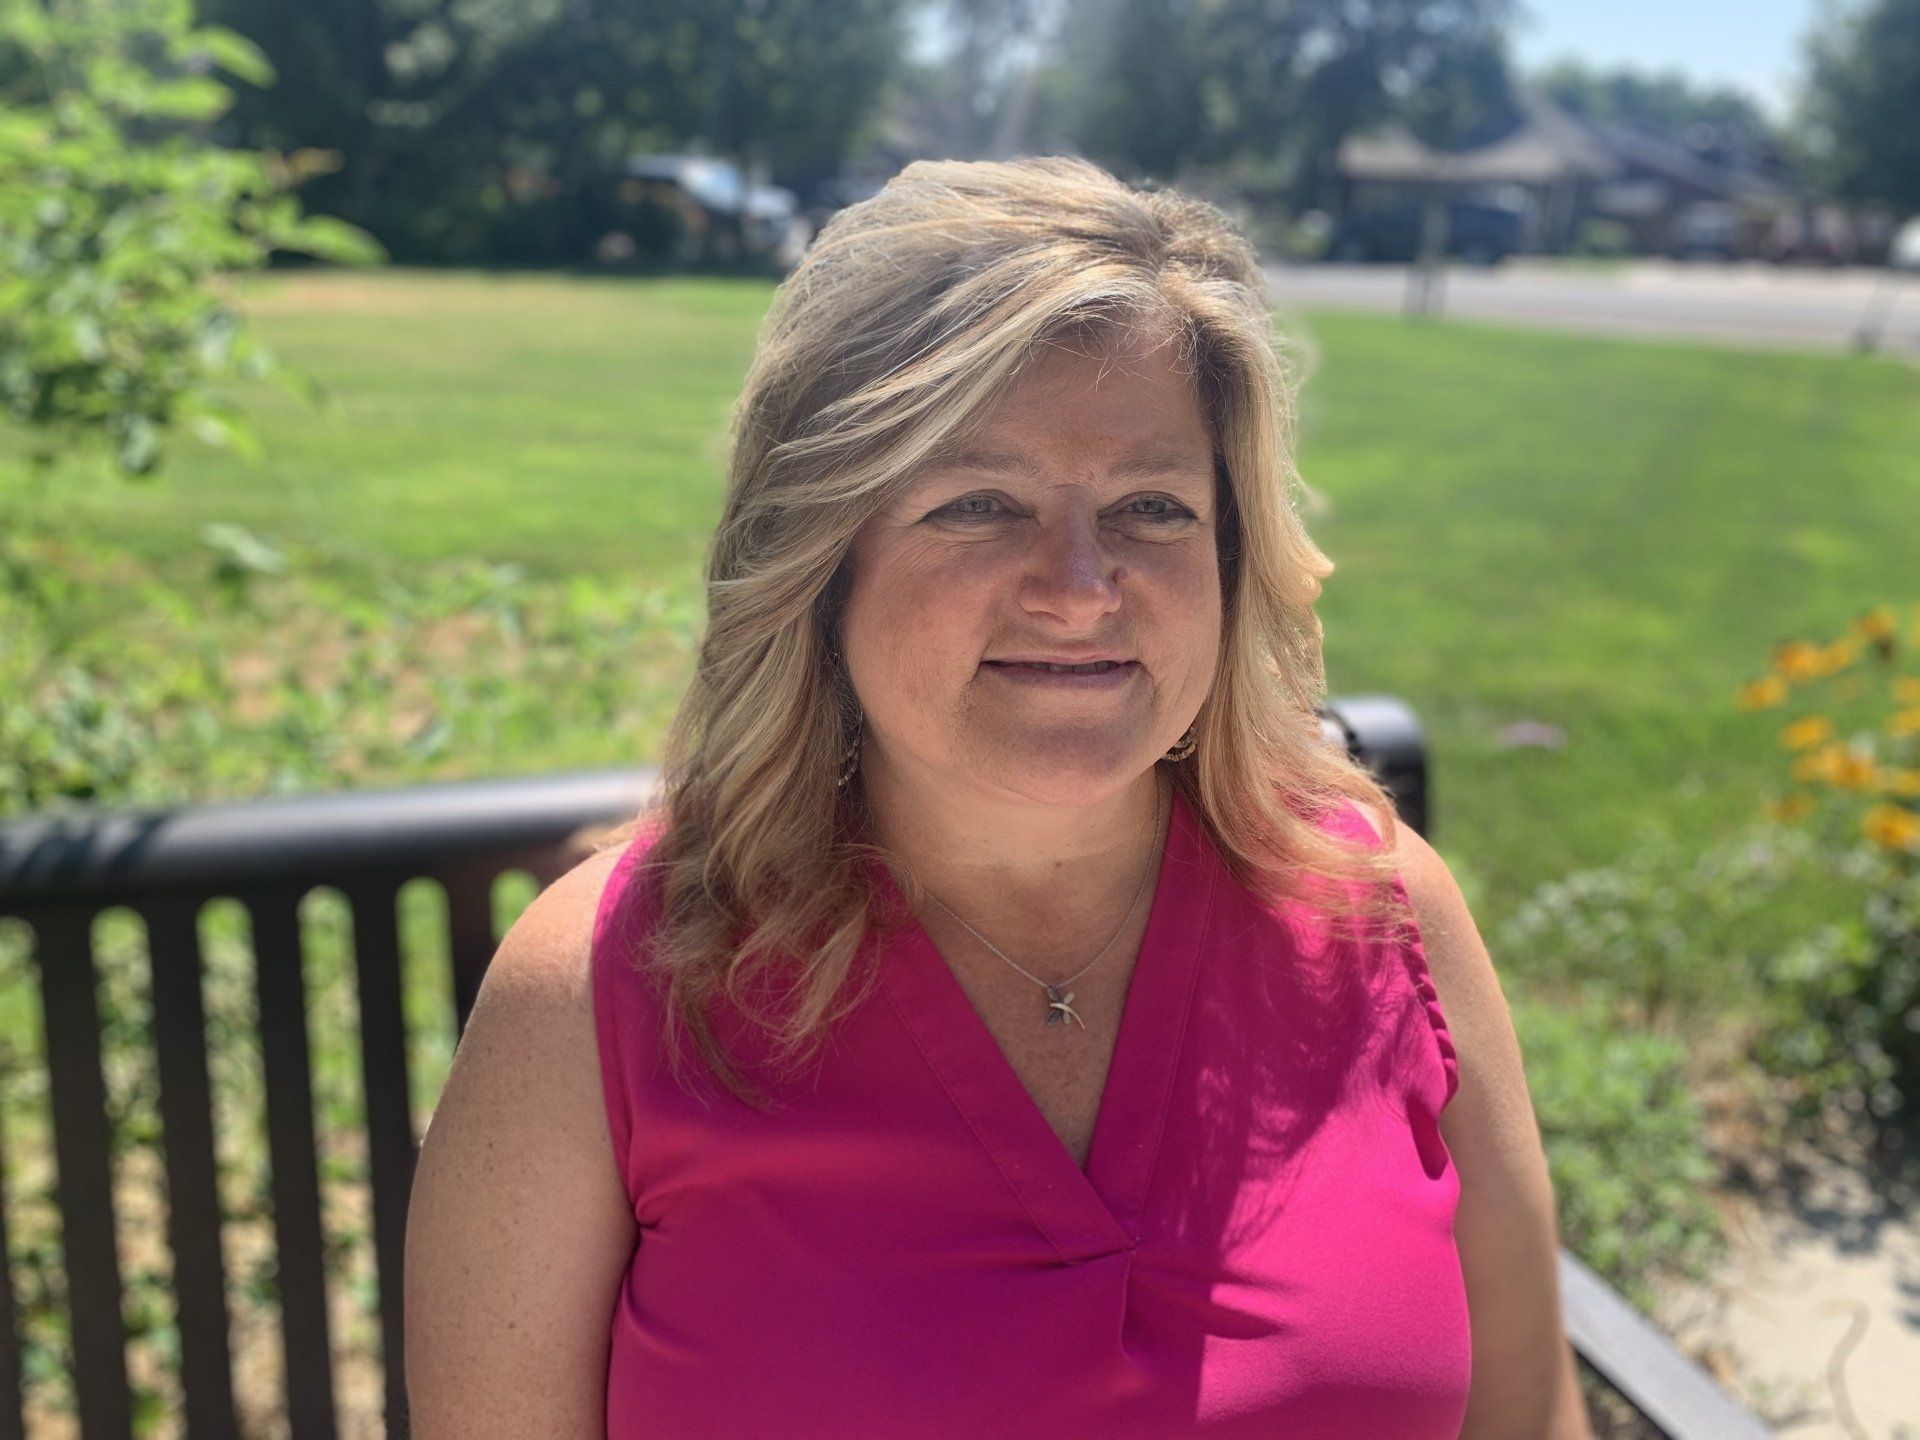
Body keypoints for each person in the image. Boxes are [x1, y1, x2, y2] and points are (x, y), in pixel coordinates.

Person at [404, 155, 1593, 1439]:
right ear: (821, 557)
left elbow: (1531, 1421)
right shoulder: (602, 992)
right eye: (978, 503)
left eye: (1152, 506)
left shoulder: (1381, 909)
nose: (1080, 586)